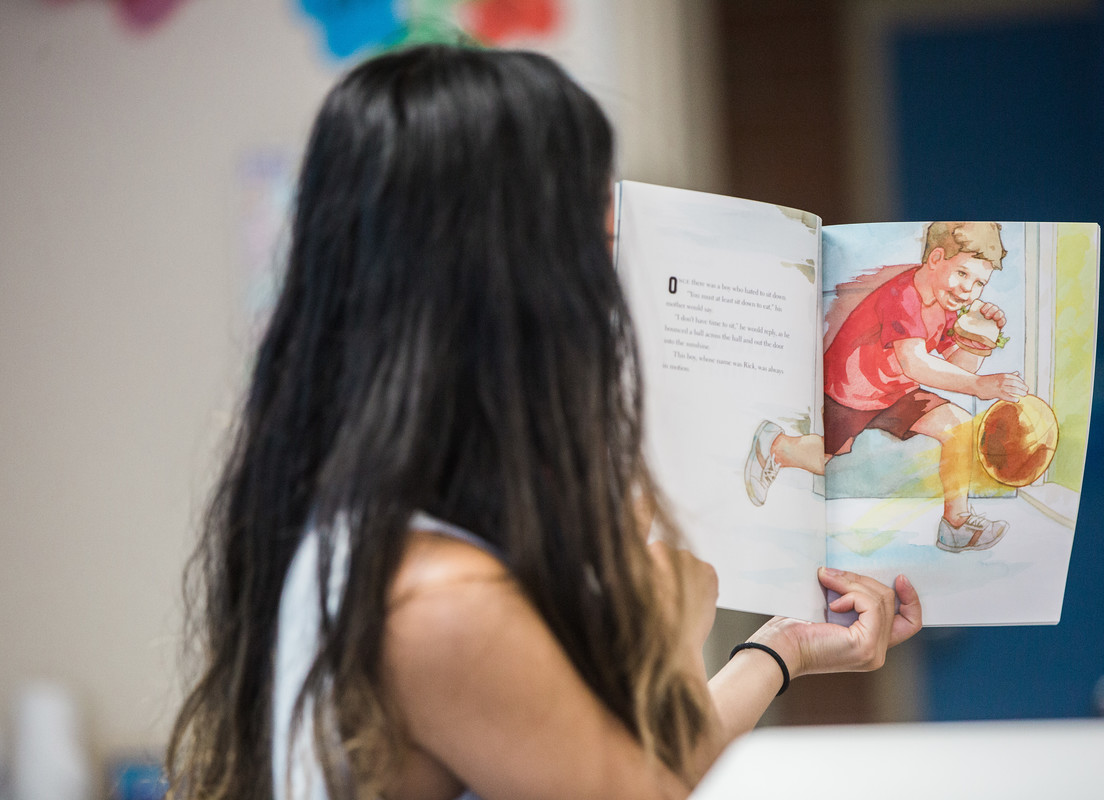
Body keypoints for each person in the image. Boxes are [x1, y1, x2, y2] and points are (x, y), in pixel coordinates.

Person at [166, 44, 922, 800]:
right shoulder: (441, 605)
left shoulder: (378, 539)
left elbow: (613, 771)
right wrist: (664, 636)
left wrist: (781, 650)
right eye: (595, 242)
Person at [743, 222, 1027, 553]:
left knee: (960, 425)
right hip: (851, 392)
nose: (969, 290)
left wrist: (980, 337)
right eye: (963, 274)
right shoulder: (903, 296)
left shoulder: (946, 302)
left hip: (896, 390)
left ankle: (956, 524)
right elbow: (916, 363)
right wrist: (980, 386)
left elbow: (956, 366)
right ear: (935, 258)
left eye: (979, 283)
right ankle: (775, 445)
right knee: (824, 458)